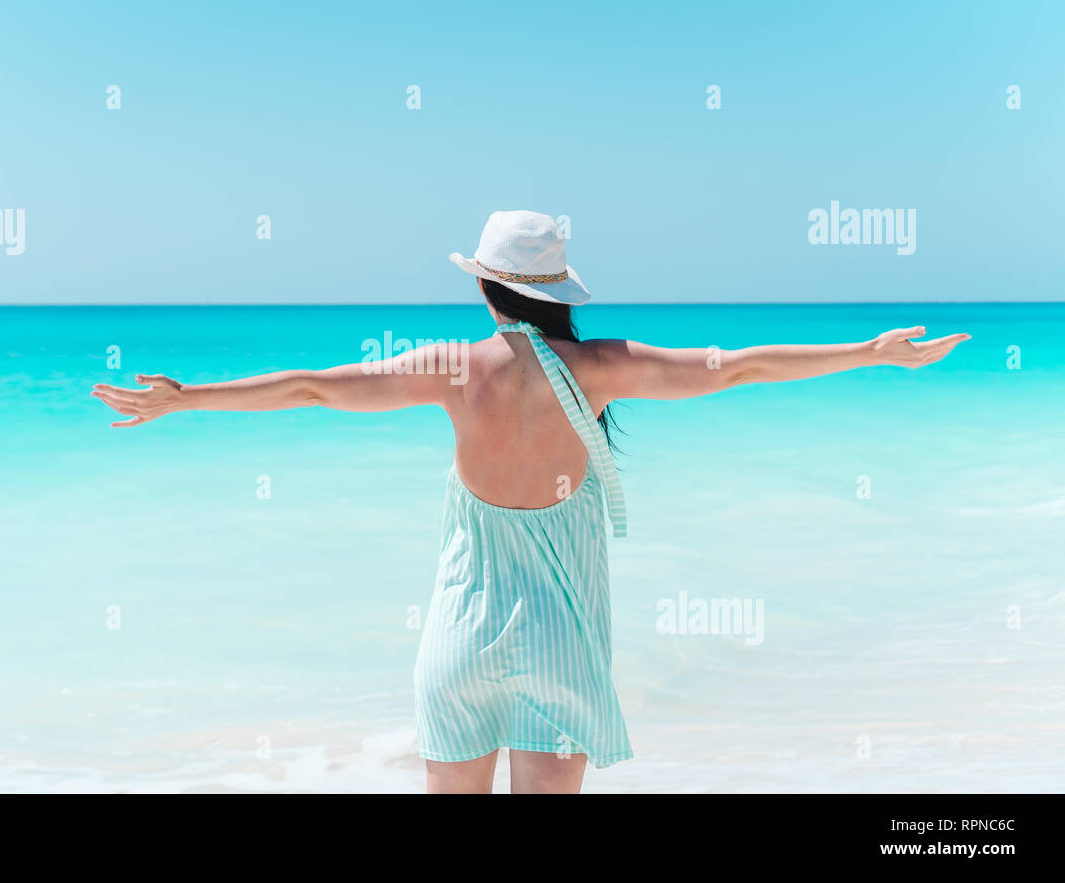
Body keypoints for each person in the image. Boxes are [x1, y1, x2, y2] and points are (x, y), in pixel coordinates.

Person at [92, 210, 970, 794]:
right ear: (556, 290)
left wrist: (191, 397)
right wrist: (870, 351)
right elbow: (737, 364)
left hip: (457, 647)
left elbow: (318, 389)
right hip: (559, 651)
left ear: (484, 287)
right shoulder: (601, 369)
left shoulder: (450, 368)